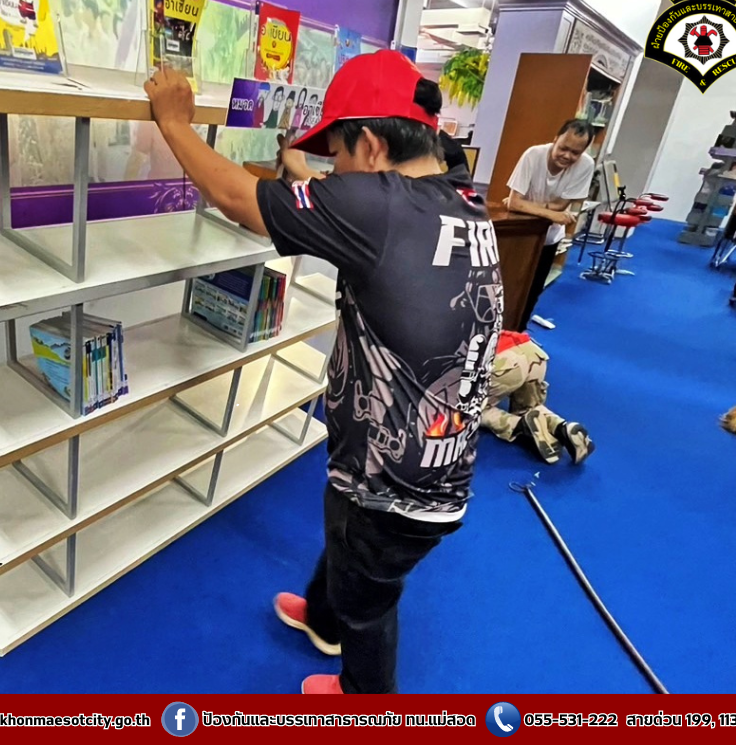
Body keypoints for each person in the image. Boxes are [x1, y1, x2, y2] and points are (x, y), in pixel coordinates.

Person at [145, 50, 503, 694]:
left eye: (338, 155)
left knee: (370, 601)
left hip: (393, 482)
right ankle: (322, 617)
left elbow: (236, 197)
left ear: (371, 146)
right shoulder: (457, 198)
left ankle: (365, 703)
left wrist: (173, 122)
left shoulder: (378, 208)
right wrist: (302, 170)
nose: (334, 173)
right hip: (427, 460)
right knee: (347, 540)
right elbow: (348, 207)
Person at [503, 119, 596, 331]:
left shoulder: (586, 165)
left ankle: (517, 335)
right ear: (555, 140)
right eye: (563, 148)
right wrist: (551, 213)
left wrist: (526, 205)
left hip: (549, 238)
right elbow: (515, 204)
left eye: (575, 152)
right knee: (507, 286)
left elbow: (562, 205)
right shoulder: (533, 155)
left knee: (533, 291)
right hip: (520, 235)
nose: (567, 156)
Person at [480, 330, 594, 464]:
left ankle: (520, 427)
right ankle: (561, 427)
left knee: (468, 410)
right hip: (532, 352)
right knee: (529, 409)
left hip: (504, 362)